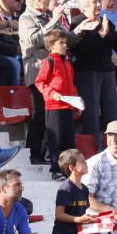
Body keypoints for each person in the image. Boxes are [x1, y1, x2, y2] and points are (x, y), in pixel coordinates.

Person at [70, 0, 117, 144]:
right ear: (84, 5)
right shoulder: (77, 23)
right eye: (94, 1)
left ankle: (114, 147)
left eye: (99, 1)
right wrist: (101, 36)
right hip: (87, 72)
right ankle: (91, 150)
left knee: (112, 113)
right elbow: (79, 49)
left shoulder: (105, 21)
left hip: (107, 72)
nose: (97, 5)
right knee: (91, 115)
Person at [19, 0, 66, 165]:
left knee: (52, 115)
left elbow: (63, 39)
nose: (48, 0)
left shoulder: (47, 16)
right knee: (40, 113)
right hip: (37, 72)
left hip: (54, 73)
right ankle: (34, 152)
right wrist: (53, 21)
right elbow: (33, 40)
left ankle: (47, 152)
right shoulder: (26, 18)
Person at [34, 29, 79, 179]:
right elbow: (40, 82)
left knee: (69, 141)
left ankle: (68, 170)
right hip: (54, 108)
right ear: (51, 45)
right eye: (61, 43)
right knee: (56, 140)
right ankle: (55, 170)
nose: (65, 45)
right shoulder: (49, 62)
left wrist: (75, 103)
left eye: (65, 42)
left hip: (67, 107)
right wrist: (52, 93)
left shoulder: (67, 63)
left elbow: (72, 85)